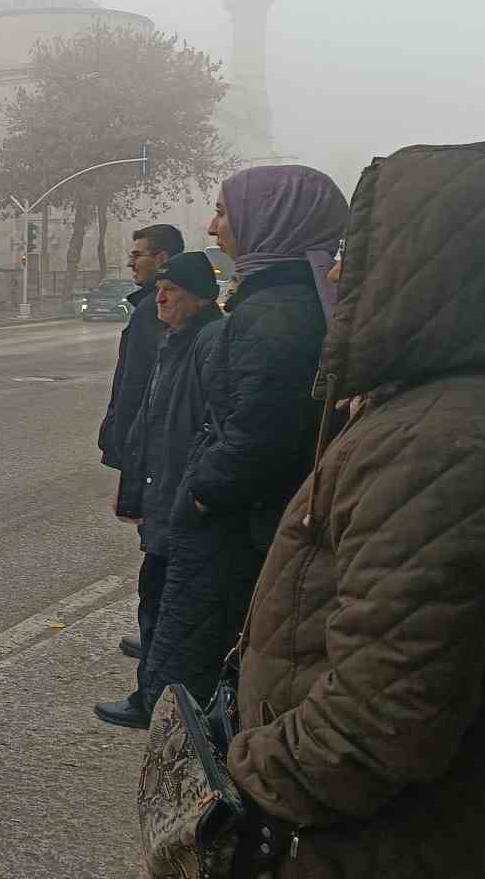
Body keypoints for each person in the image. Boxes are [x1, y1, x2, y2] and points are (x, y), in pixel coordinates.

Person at [226, 143, 485, 877]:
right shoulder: (434, 413)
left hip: (357, 841)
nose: (339, 269)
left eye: (356, 250)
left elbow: (381, 718)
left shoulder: (440, 446)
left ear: (434, 270)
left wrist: (248, 780)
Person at [142, 165, 348, 712]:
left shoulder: (276, 314)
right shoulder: (286, 301)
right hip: (248, 524)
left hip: (241, 531)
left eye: (223, 213)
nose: (213, 229)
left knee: (213, 692)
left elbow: (262, 429)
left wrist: (205, 489)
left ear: (272, 221)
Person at [94, 252, 223, 728]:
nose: (161, 298)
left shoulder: (207, 343)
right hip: (167, 495)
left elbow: (201, 431)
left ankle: (159, 704)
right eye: (160, 290)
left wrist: (193, 494)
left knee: (168, 607)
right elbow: (153, 428)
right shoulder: (176, 341)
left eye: (172, 291)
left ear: (199, 298)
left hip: (183, 500)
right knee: (158, 598)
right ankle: (155, 695)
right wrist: (135, 493)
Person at [97, 223, 185, 661]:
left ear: (163, 259)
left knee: (158, 551)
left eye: (139, 255)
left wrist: (127, 451)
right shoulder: (150, 307)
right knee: (153, 546)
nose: (131, 262)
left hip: (149, 449)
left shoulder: (157, 309)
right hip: (143, 446)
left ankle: (157, 645)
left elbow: (143, 389)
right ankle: (154, 636)